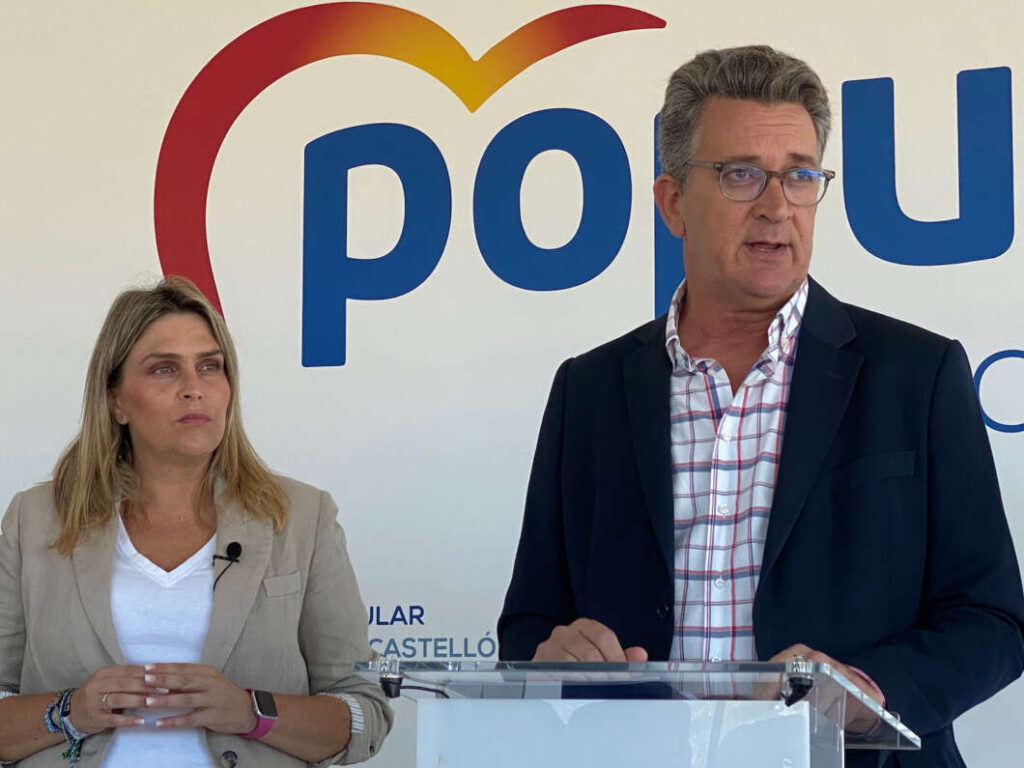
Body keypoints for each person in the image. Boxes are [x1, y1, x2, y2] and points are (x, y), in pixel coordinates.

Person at [498, 45, 1024, 767]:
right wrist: (553, 655)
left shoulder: (916, 373)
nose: (777, 206)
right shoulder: (587, 391)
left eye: (800, 175)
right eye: (741, 174)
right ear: (673, 202)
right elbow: (529, 624)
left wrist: (867, 693)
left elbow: (992, 621)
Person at [0, 277, 392, 766]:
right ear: (115, 401)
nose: (194, 389)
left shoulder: (301, 517)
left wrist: (251, 712)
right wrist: (70, 711)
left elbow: (364, 712)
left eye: (210, 366)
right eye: (164, 369)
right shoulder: (35, 520)